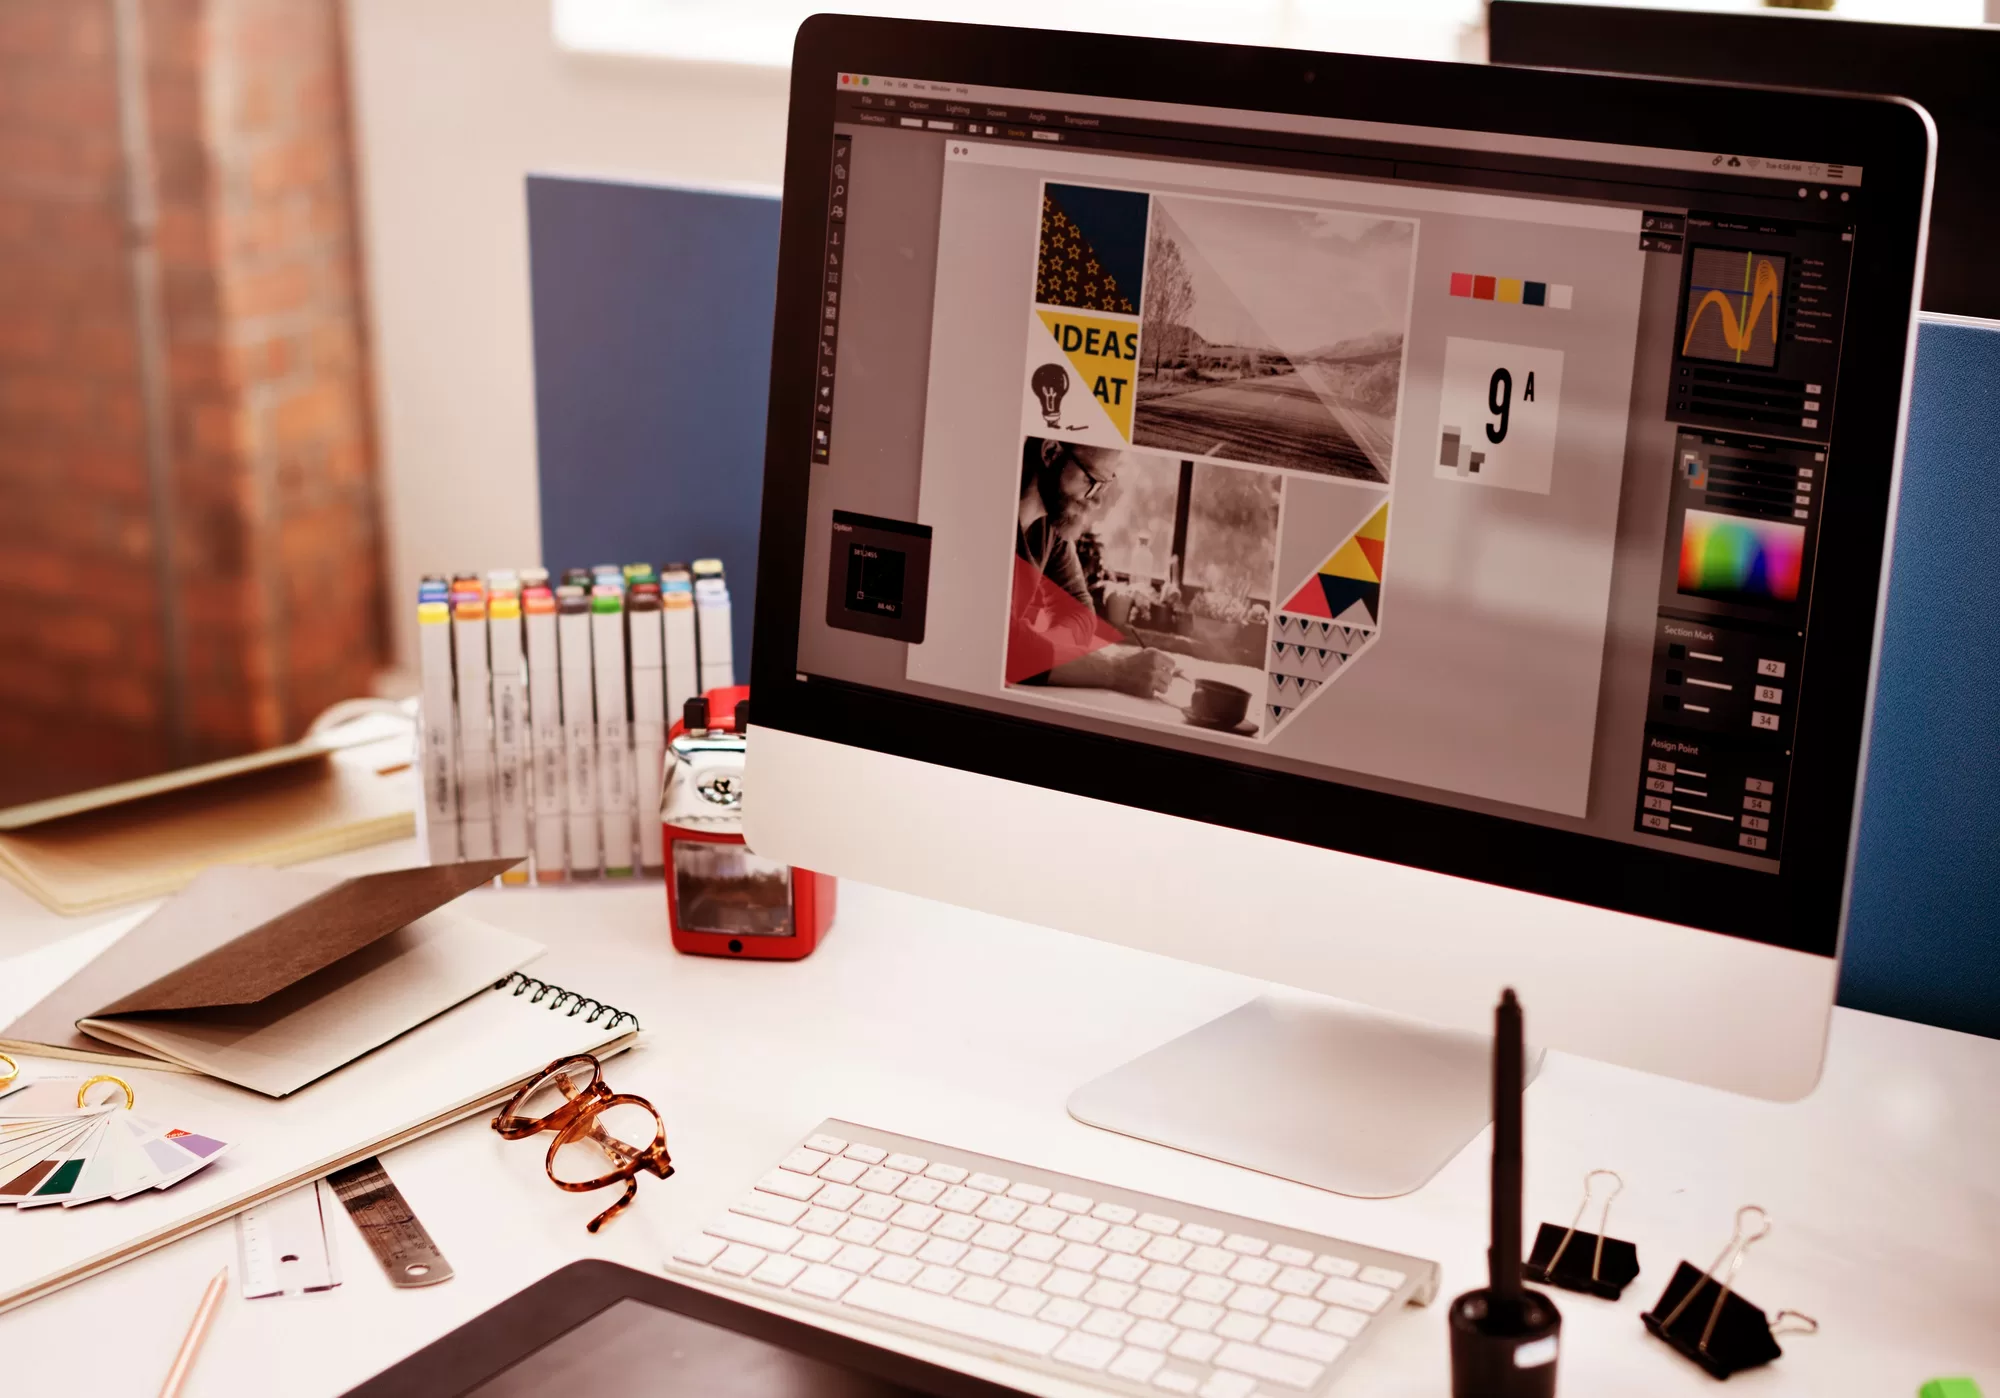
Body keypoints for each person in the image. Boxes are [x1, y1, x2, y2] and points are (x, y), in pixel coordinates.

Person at [1013, 438, 1176, 697]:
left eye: (1106, 484)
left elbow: (1078, 610)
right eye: (1092, 482)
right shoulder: (987, 520)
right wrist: (1117, 670)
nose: (1098, 501)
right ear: (1051, 452)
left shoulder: (1051, 527)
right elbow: (1003, 649)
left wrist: (1037, 651)